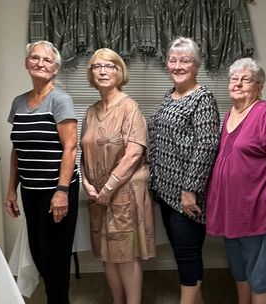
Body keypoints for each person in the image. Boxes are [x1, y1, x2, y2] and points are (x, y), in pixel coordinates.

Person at [206, 58, 266, 304]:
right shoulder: (229, 116)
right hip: (235, 215)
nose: (237, 84)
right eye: (234, 79)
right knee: (241, 274)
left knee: (262, 279)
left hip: (263, 217)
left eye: (245, 79)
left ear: (259, 86)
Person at [4, 40, 79, 304]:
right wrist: (12, 189)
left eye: (47, 60)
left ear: (56, 68)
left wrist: (61, 192)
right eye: (35, 58)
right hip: (30, 190)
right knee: (37, 251)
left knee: (55, 255)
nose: (40, 64)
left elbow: (70, 147)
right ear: (27, 64)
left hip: (55, 189)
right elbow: (17, 149)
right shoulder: (19, 102)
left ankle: (57, 301)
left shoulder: (60, 100)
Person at [80, 48, 156, 304]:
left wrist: (109, 187)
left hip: (123, 194)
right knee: (106, 252)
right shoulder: (91, 112)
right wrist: (86, 183)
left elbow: (134, 153)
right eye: (96, 66)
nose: (102, 71)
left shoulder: (129, 107)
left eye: (109, 66)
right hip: (98, 197)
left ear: (119, 71)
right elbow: (83, 150)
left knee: (126, 252)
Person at [147, 37, 220, 304]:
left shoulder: (203, 98)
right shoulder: (170, 95)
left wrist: (190, 191)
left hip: (187, 196)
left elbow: (207, 145)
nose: (177, 65)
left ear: (196, 65)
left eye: (185, 60)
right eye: (173, 60)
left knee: (187, 254)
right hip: (166, 192)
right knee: (182, 253)